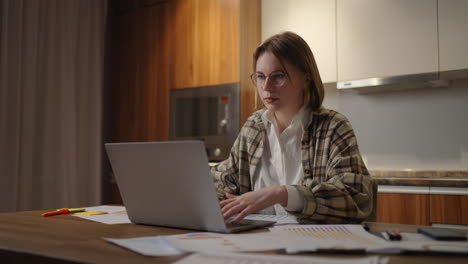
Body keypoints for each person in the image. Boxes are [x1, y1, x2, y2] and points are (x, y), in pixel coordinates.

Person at [211, 31, 373, 224]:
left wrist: (281, 193)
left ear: (306, 78)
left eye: (278, 76)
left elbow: (355, 198)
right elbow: (225, 181)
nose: (266, 87)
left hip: (313, 244)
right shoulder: (253, 127)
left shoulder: (333, 127)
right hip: (256, 241)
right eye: (261, 77)